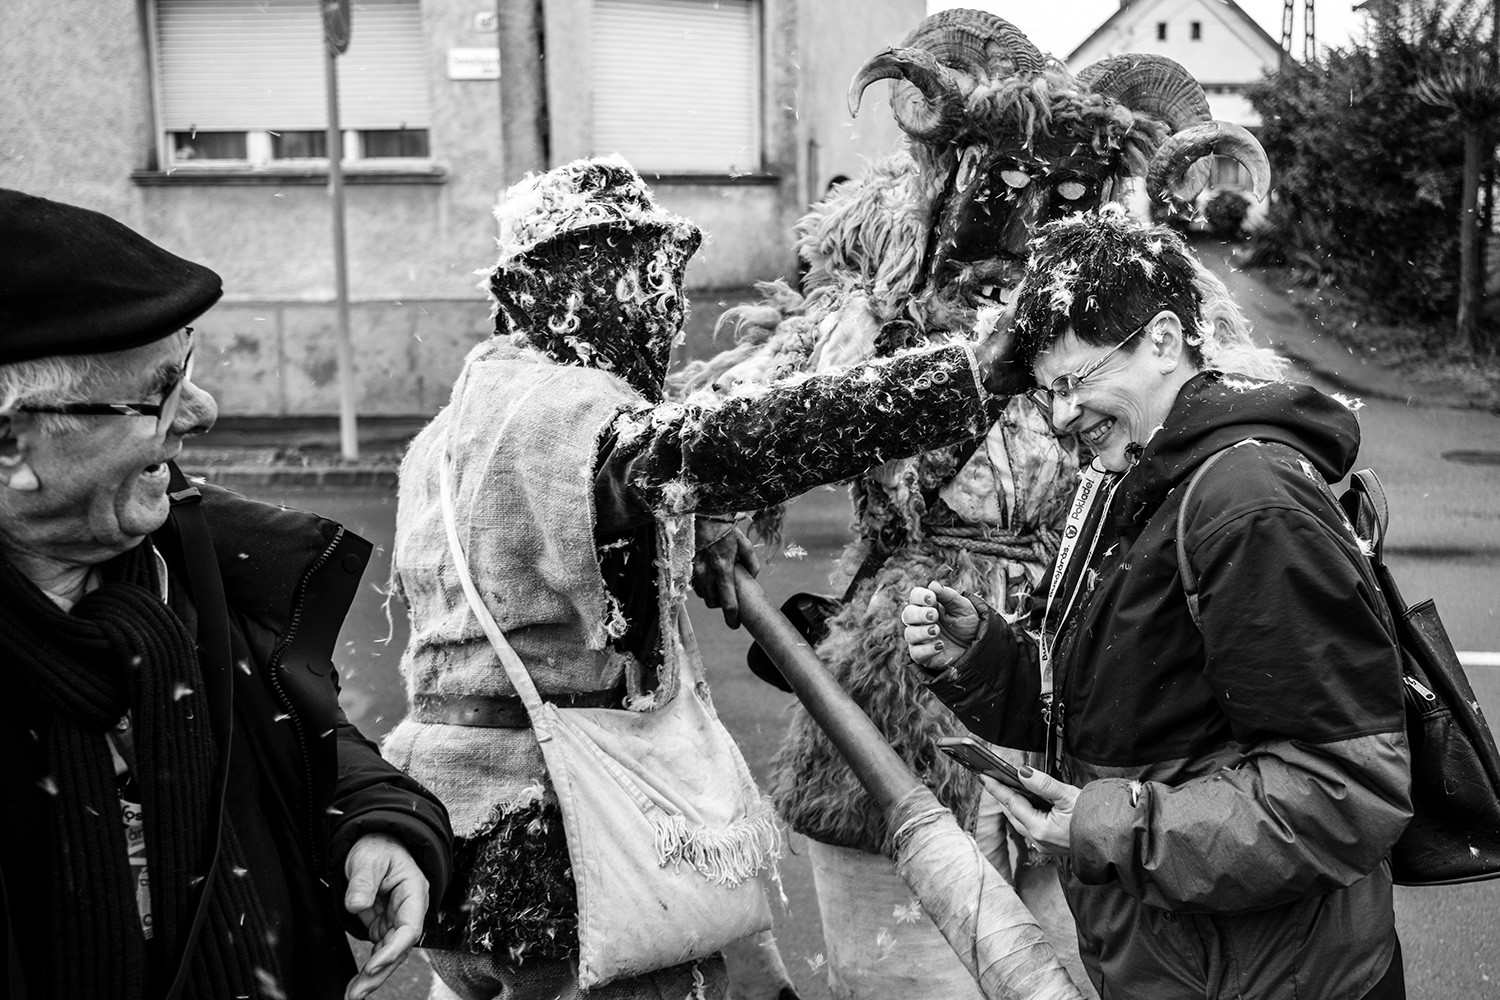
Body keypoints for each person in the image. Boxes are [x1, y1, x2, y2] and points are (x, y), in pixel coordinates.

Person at [672, 10, 1271, 998]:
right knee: (911, 967)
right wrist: (712, 501)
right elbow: (768, 402)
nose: (1027, 205)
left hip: (1082, 668)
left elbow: (1229, 405)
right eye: (1005, 174)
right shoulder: (887, 290)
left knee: (1078, 967)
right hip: (906, 662)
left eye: (1063, 186)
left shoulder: (1124, 312)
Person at [380, 154, 1025, 1000]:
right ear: (541, 293)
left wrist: (685, 521)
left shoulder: (457, 426)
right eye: (627, 277)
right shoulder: (561, 409)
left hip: (452, 831)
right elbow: (704, 447)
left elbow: (566, 533)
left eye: (663, 280)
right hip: (564, 843)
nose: (658, 307)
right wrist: (968, 378)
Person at [900, 208, 1412, 1000]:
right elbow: (1134, 716)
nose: (1061, 416)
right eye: (1049, 393)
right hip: (1188, 964)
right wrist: (988, 660)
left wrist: (1104, 827)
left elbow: (1343, 795)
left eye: (1076, 381)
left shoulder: (1248, 504)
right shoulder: (1132, 481)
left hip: (1272, 979)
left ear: (1165, 341)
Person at [0, 188, 454, 1000]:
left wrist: (374, 825)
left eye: (190, 370)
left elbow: (299, 747)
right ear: (10, 442)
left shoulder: (203, 561)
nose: (201, 413)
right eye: (159, 391)